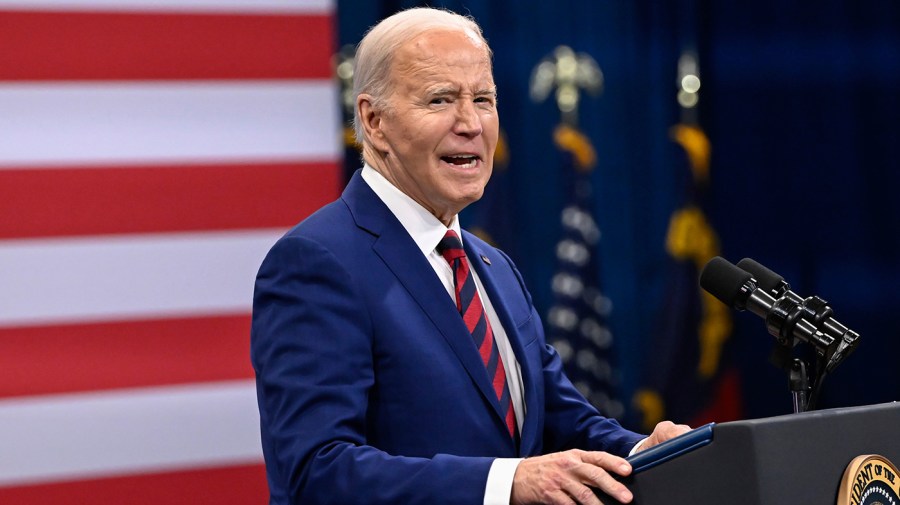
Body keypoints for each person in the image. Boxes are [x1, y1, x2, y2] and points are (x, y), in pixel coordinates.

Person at [251, 7, 689, 505]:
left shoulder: (492, 267)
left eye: (483, 99)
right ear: (374, 121)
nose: (471, 123)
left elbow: (559, 419)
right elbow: (316, 472)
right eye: (440, 100)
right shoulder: (317, 262)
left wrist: (642, 450)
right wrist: (508, 483)